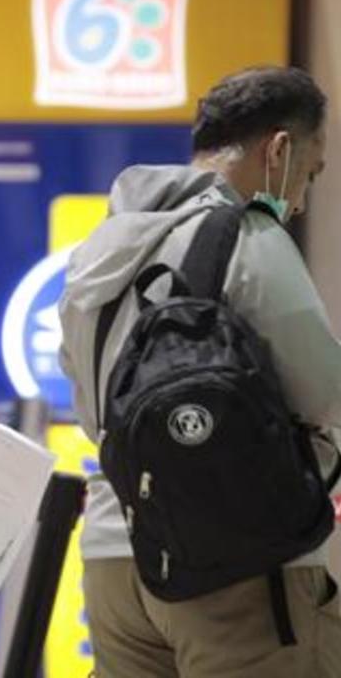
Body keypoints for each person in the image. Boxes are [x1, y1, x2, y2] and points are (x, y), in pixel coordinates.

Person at [59, 66, 341, 676]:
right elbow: (322, 394)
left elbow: (88, 406)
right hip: (233, 558)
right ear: (280, 150)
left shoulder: (100, 250)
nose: (300, 200)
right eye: (310, 175)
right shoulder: (248, 237)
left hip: (115, 553)